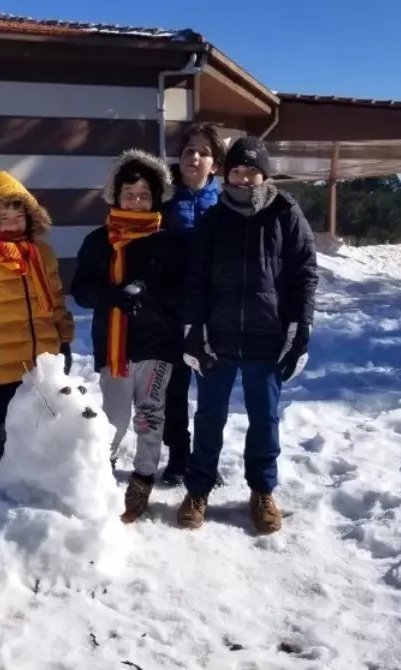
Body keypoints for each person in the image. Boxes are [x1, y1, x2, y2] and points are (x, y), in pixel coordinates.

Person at [177, 135, 319, 535]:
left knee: (264, 419)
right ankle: (198, 490)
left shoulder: (285, 213)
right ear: (226, 174)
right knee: (208, 418)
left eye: (251, 170)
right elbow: (195, 279)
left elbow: (304, 274)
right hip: (217, 337)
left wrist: (300, 327)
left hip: (266, 336)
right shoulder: (212, 219)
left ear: (264, 173)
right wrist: (193, 328)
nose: (243, 178)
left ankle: (262, 492)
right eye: (236, 171)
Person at [70, 149, 181, 523]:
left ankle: (143, 479)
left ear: (156, 198)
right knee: (114, 419)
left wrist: (149, 296)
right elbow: (81, 289)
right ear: (116, 196)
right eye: (129, 193)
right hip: (114, 348)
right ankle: (100, 473)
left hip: (157, 346)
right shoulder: (98, 241)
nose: (136, 200)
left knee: (150, 415)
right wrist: (110, 295)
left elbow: (181, 293)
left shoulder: (168, 242)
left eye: (144, 194)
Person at [0, 170, 75, 475]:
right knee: (9, 431)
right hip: (1, 365)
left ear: (30, 215)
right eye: (2, 216)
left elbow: (56, 300)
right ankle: (13, 491)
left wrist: (65, 339)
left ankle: (41, 479)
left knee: (42, 424)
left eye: (18, 214)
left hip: (42, 359)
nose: (11, 223)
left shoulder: (42, 254)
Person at [159, 122, 227, 486]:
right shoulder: (164, 198)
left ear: (214, 164)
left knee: (212, 392)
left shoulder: (227, 202)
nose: (194, 157)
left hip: (214, 313)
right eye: (188, 150)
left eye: (203, 152)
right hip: (172, 310)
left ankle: (206, 459)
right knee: (175, 388)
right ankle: (178, 455)